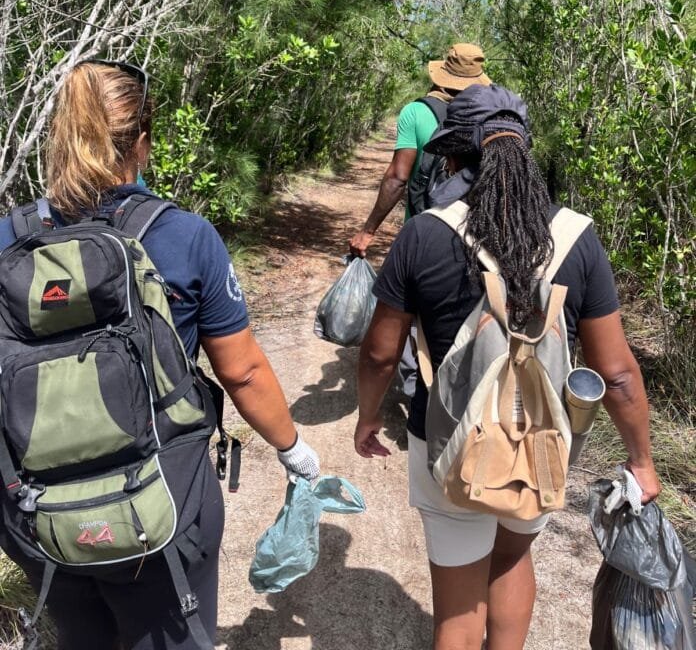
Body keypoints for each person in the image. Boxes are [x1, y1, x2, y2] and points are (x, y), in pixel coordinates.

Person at [0, 59, 320, 650]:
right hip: (158, 509)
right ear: (142, 143)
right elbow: (243, 370)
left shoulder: (9, 240)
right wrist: (294, 450)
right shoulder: (184, 236)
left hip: (38, 516)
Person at [354, 84, 661, 650]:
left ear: (452, 158)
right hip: (543, 438)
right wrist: (640, 461)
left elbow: (378, 354)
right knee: (513, 557)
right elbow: (616, 374)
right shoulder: (576, 238)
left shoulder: (424, 234)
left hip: (447, 438)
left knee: (457, 601)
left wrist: (367, 419)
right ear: (523, 153)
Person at [348, 42, 491, 259]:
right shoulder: (492, 116)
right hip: (479, 238)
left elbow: (397, 178)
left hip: (424, 231)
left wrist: (368, 231)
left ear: (442, 74)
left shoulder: (416, 112)